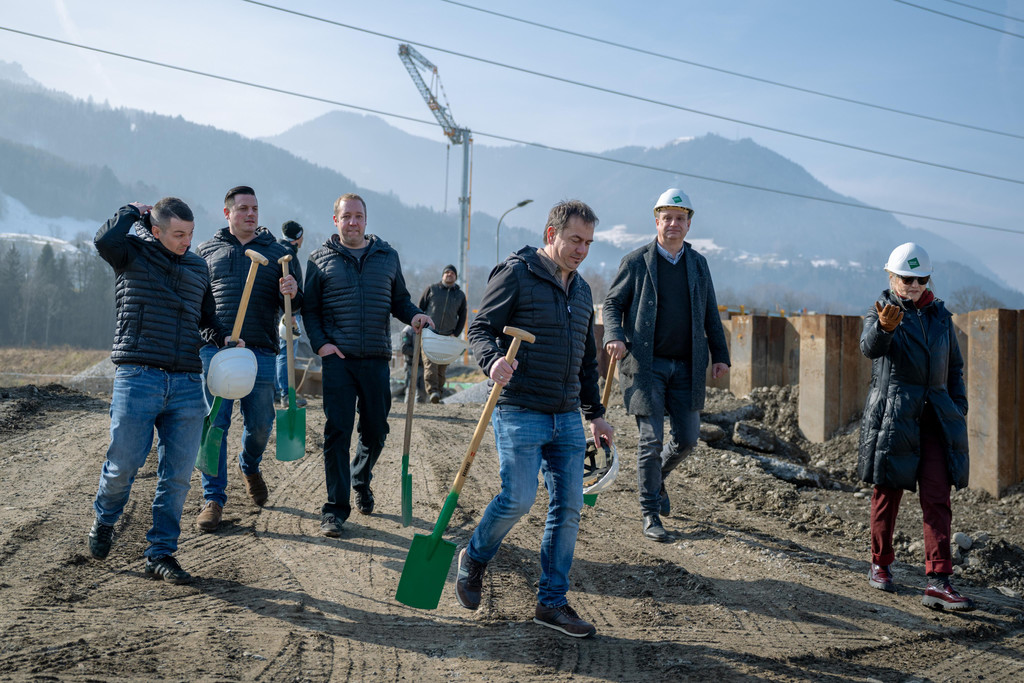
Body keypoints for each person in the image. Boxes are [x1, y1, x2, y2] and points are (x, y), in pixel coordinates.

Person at [456, 199, 614, 639]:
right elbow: (479, 329)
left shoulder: (581, 291)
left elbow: (586, 361)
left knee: (569, 507)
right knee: (519, 499)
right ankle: (475, 556)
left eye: (588, 243)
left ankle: (551, 603)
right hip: (519, 407)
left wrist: (596, 415)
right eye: (575, 240)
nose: (582, 250)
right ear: (551, 234)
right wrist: (492, 361)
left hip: (565, 416)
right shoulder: (517, 273)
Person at [89, 198, 229, 584]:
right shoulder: (130, 253)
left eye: (191, 233)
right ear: (156, 231)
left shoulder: (198, 267)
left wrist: (222, 337)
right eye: (178, 234)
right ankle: (105, 518)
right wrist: (131, 211)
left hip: (186, 382)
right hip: (138, 376)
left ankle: (160, 552)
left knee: (178, 476)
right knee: (124, 465)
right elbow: (103, 241)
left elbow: (207, 318)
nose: (187, 241)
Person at [602, 188, 730, 543]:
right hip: (646, 366)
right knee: (651, 439)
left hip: (687, 366)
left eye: (680, 218)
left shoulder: (698, 264)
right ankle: (650, 512)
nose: (673, 223)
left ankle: (656, 480)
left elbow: (710, 311)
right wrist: (614, 335)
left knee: (687, 439)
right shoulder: (636, 262)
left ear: (689, 224)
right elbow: (612, 304)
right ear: (656, 221)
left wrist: (720, 354)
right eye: (667, 217)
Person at [303, 193, 433, 537]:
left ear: (366, 219)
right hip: (338, 360)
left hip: (376, 357)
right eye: (346, 216)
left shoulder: (387, 257)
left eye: (358, 216)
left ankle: (360, 477)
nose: (353, 222)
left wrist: (415, 315)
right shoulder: (319, 260)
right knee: (337, 431)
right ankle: (334, 510)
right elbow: (310, 310)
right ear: (336, 220)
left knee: (376, 430)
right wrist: (321, 344)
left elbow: (399, 301)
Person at [859, 242, 974, 611]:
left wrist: (958, 406)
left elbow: (954, 367)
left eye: (920, 279)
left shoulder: (941, 317)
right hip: (895, 418)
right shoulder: (880, 311)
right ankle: (880, 563)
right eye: (906, 278)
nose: (913, 285)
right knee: (887, 493)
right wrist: (884, 328)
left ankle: (939, 580)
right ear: (891, 276)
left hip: (936, 419)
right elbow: (870, 348)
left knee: (938, 498)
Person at [194, 186, 301, 532]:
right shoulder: (206, 251)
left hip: (261, 349)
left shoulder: (280, 253)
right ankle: (213, 498)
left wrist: (292, 293)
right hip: (217, 349)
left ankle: (249, 464)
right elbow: (195, 302)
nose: (251, 214)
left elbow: (297, 304)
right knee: (215, 424)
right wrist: (209, 337)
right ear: (227, 213)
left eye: (254, 208)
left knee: (261, 423)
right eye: (243, 209)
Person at [418, 264, 467, 403]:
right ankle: (432, 391)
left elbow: (462, 316)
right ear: (442, 275)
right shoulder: (432, 289)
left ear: (456, 277)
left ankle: (438, 393)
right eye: (447, 272)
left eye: (452, 273)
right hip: (429, 334)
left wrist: (455, 334)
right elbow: (420, 308)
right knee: (430, 364)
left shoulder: (460, 295)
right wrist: (421, 326)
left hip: (447, 337)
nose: (449, 274)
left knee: (442, 367)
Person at [275, 219, 307, 409]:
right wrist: (292, 313)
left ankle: (276, 391)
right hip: (287, 312)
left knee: (279, 351)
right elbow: (289, 288)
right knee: (286, 352)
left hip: (279, 312)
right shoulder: (289, 254)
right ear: (298, 237)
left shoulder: (277, 249)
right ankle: (286, 393)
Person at [392, 324, 426, 403]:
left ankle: (420, 409)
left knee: (422, 391)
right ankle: (407, 407)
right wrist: (419, 352)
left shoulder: (425, 329)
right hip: (411, 365)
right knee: (410, 390)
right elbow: (404, 349)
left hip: (423, 365)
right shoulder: (407, 331)